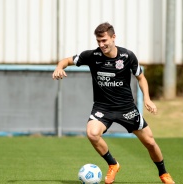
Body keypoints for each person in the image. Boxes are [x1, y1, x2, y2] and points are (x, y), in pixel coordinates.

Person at [52, 22, 175, 184]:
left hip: (126, 108)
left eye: (104, 40)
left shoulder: (127, 56)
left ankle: (163, 174)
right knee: (92, 133)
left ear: (113, 37)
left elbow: (141, 77)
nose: (101, 45)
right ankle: (113, 164)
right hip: (103, 107)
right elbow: (66, 60)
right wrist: (59, 67)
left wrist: (147, 98)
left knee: (150, 143)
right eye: (98, 41)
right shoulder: (92, 56)